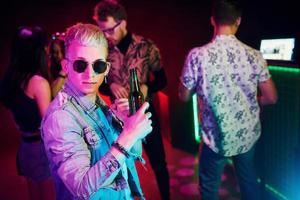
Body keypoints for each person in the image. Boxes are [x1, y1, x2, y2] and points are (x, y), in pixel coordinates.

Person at [178, 0, 278, 199]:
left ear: (212, 20)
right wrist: (251, 101)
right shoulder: (254, 55)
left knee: (208, 190)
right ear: (238, 21)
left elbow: (183, 96)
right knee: (249, 184)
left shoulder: (197, 55)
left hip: (213, 137)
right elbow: (271, 97)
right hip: (246, 135)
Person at [41, 23, 152, 199]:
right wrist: (128, 136)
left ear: (106, 69)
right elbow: (81, 188)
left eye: (98, 66)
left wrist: (129, 128)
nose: (90, 74)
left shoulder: (100, 102)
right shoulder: (60, 118)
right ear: (66, 66)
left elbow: (133, 154)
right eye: (80, 65)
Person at [93, 1, 170, 199]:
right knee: (120, 165)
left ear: (123, 23)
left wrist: (147, 86)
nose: (106, 35)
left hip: (145, 112)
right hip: (117, 116)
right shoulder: (103, 50)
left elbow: (162, 80)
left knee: (159, 163)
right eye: (103, 31)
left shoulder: (146, 47)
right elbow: (97, 83)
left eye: (109, 29)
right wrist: (109, 85)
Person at [0, 26, 55, 200]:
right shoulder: (38, 82)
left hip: (25, 147)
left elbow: (17, 119)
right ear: (38, 51)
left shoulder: (12, 79)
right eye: (45, 48)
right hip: (41, 150)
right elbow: (50, 125)